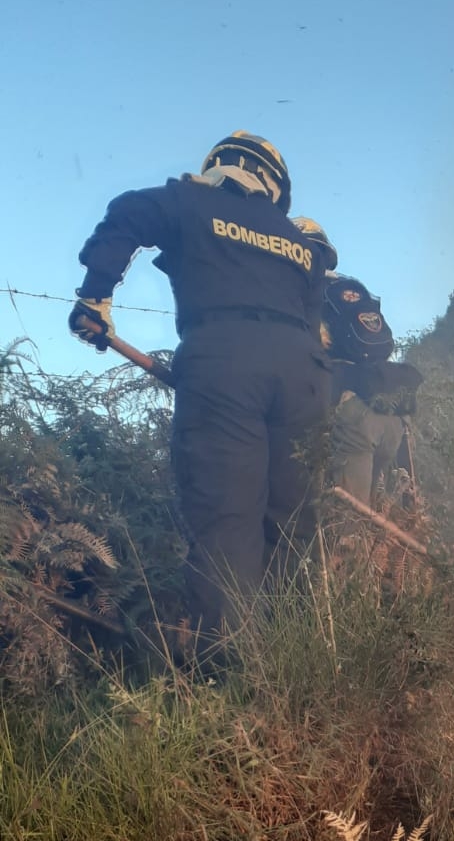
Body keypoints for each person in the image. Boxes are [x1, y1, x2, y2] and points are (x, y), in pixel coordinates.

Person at [70, 132, 335, 644]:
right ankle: (300, 660)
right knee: (293, 522)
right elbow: (312, 323)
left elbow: (126, 213)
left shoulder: (191, 200)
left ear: (219, 165)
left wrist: (95, 298)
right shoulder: (302, 245)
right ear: (274, 185)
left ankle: (232, 674)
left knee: (228, 520)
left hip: (224, 357)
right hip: (304, 374)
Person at [307, 259, 423, 507]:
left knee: (351, 522)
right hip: (392, 416)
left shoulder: (308, 292)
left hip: (352, 417)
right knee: (380, 510)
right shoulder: (353, 292)